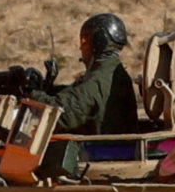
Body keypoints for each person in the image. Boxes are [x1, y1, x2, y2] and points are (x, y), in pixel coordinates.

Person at [47, 13, 148, 153]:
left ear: (99, 42)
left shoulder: (99, 79)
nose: (81, 48)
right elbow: (79, 94)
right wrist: (47, 89)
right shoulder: (111, 71)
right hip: (111, 150)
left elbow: (65, 113)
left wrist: (31, 94)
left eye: (84, 41)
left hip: (104, 154)